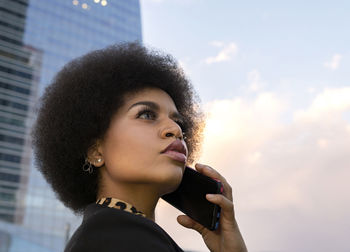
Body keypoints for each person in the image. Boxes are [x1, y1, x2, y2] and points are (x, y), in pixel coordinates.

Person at [31, 42, 247, 252]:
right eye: (146, 114)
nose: (175, 129)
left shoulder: (122, 234)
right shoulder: (115, 236)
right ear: (96, 151)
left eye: (178, 121)